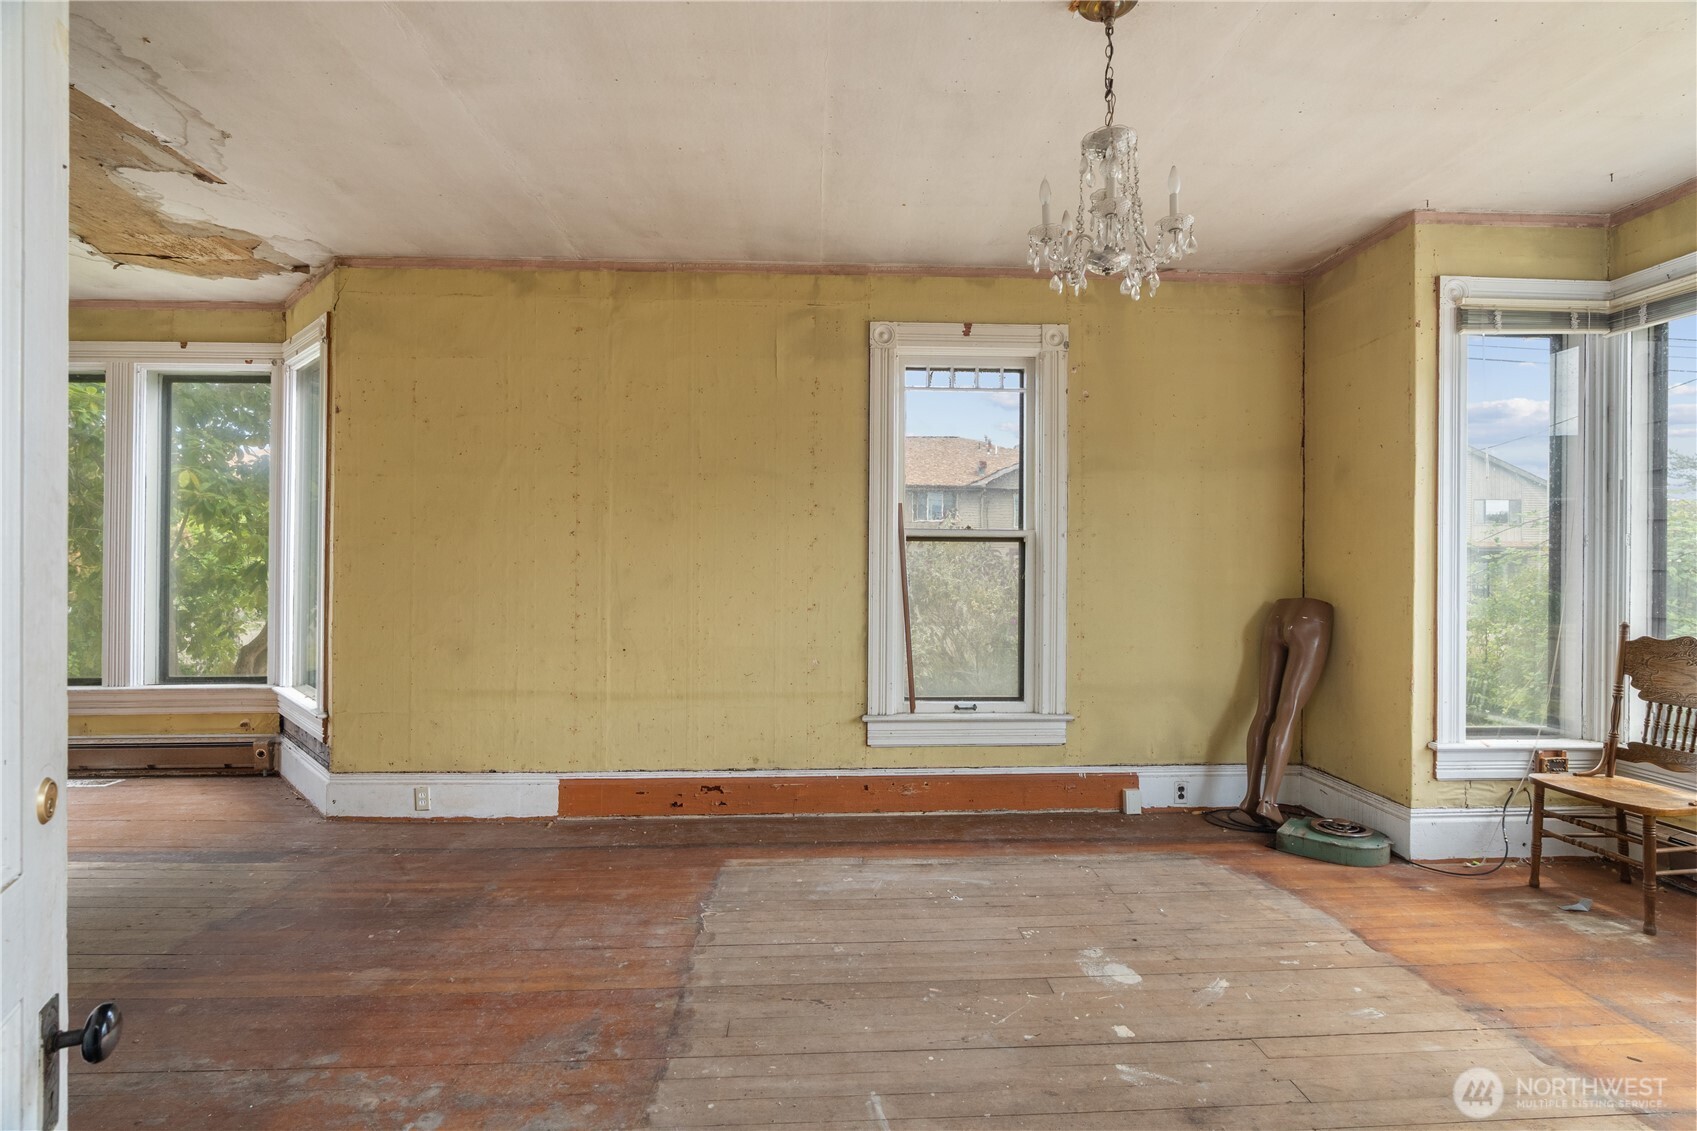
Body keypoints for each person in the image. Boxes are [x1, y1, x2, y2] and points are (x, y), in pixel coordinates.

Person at [1238, 597, 1334, 826]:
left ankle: (1251, 797)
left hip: (1277, 615)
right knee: (1288, 710)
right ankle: (1269, 802)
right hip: (1312, 619)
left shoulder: (1279, 608)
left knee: (1264, 709)